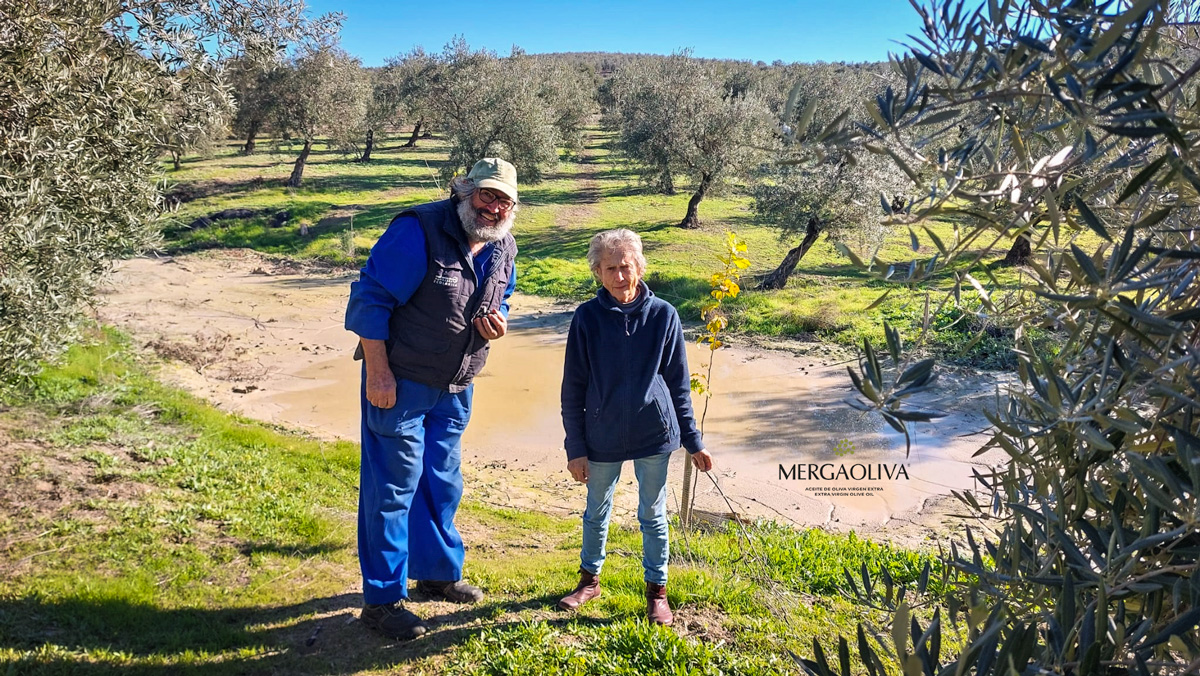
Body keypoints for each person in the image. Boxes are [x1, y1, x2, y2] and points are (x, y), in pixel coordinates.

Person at [344, 158, 520, 640]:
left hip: (456, 385)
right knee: (392, 489)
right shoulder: (418, 229)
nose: (494, 206)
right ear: (462, 192)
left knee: (442, 481)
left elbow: (502, 298)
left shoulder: (504, 245)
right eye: (486, 194)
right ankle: (382, 600)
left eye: (503, 199)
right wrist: (377, 375)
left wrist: (498, 320)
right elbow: (369, 301)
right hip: (399, 383)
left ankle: (438, 573)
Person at [558, 228, 714, 626]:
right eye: (610, 268)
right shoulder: (586, 319)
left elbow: (678, 382)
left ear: (640, 267)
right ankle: (589, 581)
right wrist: (575, 447)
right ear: (598, 272)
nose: (619, 277)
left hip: (654, 435)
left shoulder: (664, 315)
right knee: (596, 512)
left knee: (653, 515)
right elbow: (573, 387)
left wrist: (693, 441)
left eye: (625, 267)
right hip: (601, 435)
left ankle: (657, 592)